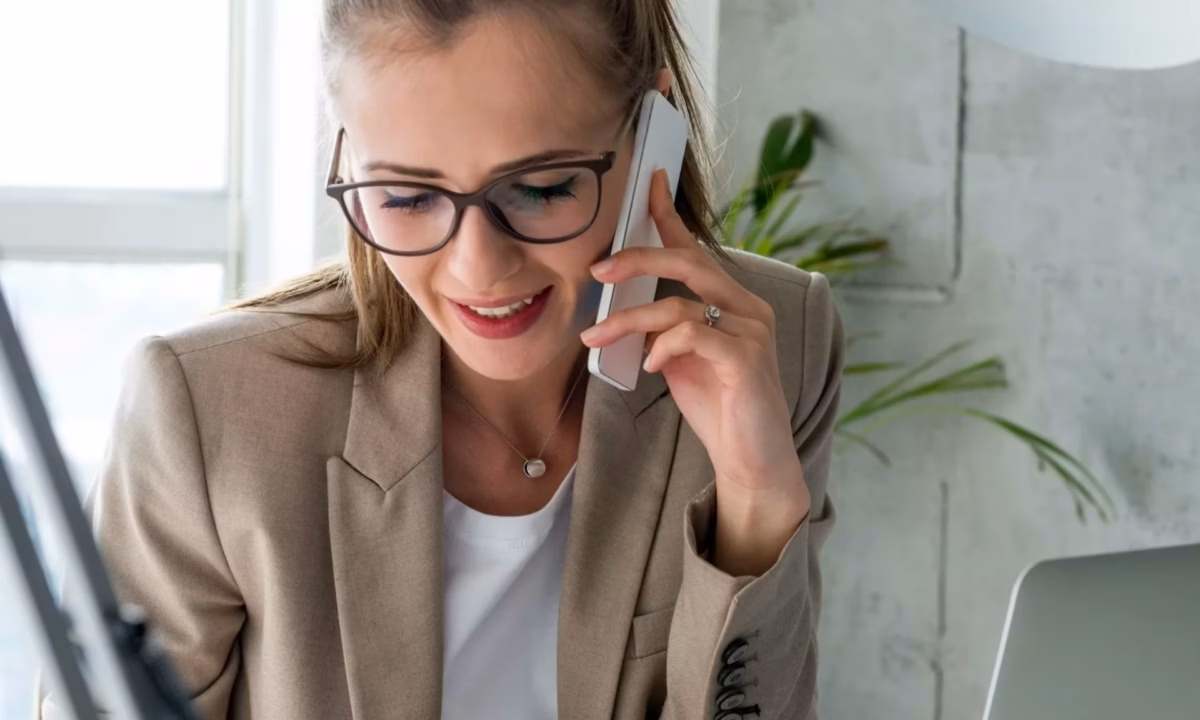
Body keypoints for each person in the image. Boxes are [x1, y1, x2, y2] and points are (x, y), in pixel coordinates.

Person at [37, 0, 843, 718]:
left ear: (653, 136)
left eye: (540, 189)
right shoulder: (208, 415)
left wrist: (756, 505)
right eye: (407, 198)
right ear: (348, 163)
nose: (477, 269)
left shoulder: (776, 348)